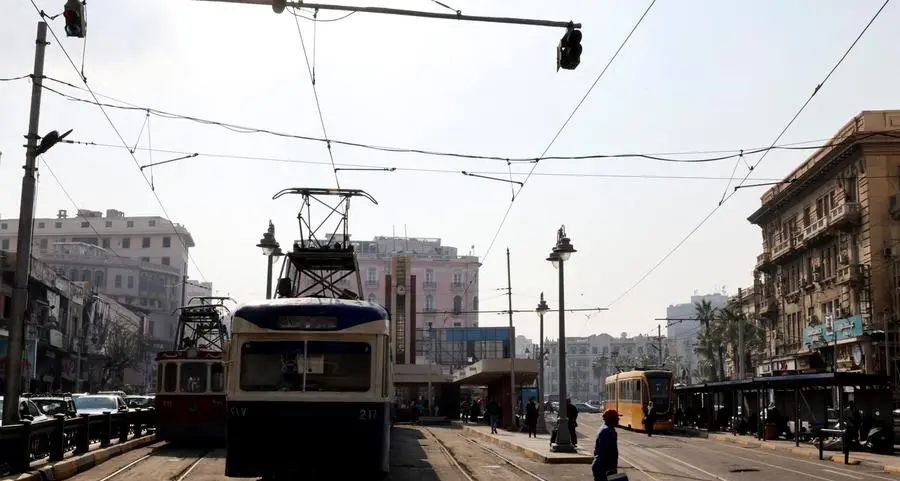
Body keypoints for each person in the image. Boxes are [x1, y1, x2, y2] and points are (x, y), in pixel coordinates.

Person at [592, 409, 620, 481]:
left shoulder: (607, 429)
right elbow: (604, 452)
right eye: (617, 418)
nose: (618, 419)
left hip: (602, 466)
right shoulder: (607, 431)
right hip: (603, 468)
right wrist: (612, 469)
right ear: (612, 419)